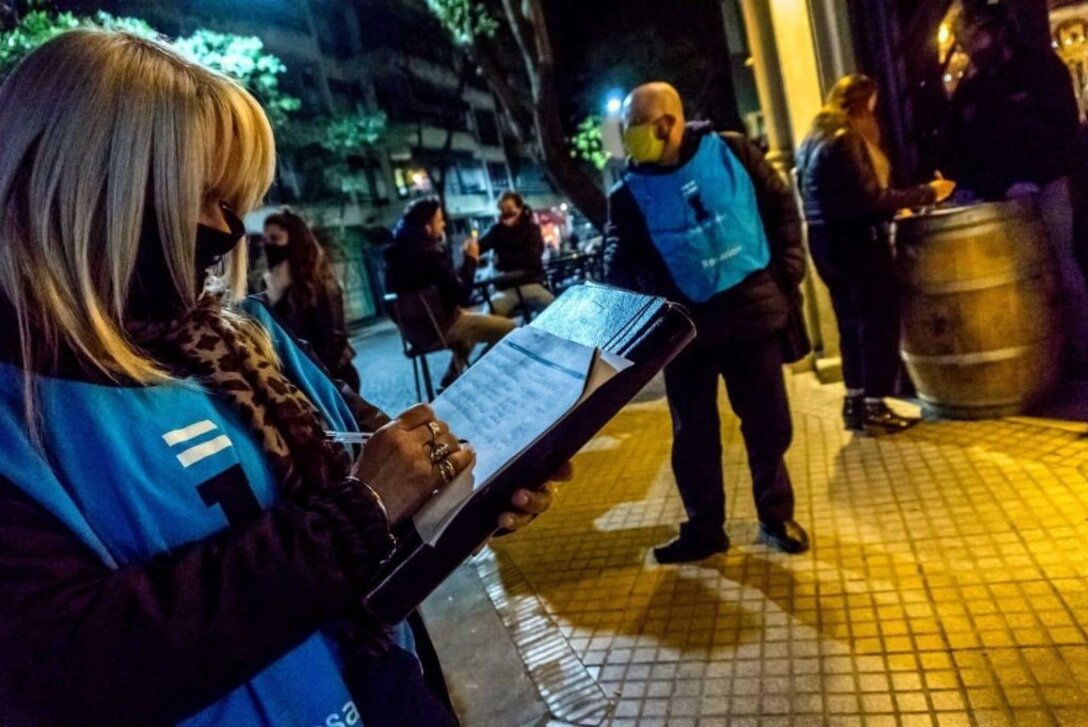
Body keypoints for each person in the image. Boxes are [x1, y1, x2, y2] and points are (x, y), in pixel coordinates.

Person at [0, 30, 557, 725]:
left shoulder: (246, 337)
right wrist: (357, 514)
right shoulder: (20, 410)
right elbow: (64, 670)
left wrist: (467, 495)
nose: (227, 230)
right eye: (202, 196)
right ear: (86, 187)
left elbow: (381, 503)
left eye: (235, 201)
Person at [605, 82, 810, 563]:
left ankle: (776, 514)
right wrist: (638, 292)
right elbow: (617, 259)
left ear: (666, 124)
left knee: (767, 424)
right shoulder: (627, 192)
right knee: (692, 435)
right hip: (685, 333)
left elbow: (781, 206)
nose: (629, 140)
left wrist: (787, 271)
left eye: (635, 128)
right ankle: (705, 528)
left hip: (749, 315)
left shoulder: (732, 150)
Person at [797, 74, 956, 434]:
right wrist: (928, 193)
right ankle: (876, 406)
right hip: (857, 243)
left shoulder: (813, 137)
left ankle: (854, 402)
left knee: (850, 324)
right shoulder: (846, 137)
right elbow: (870, 201)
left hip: (825, 243)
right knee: (878, 322)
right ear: (863, 105)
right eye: (874, 108)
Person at [943, 3, 1088, 370]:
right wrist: (980, 185)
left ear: (996, 30)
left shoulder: (1039, 70)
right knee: (1016, 282)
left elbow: (1062, 132)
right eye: (963, 41)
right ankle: (1038, 357)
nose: (969, 47)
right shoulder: (972, 88)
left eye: (974, 37)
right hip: (998, 201)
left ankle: (1081, 354)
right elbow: (959, 147)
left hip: (1046, 188)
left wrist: (1035, 177)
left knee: (1063, 269)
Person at [384, 197, 516, 387]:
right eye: (439, 220)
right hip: (440, 328)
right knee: (510, 328)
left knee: (470, 325)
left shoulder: (394, 259)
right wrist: (471, 259)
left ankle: (451, 379)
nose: (443, 224)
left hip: (413, 335)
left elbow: (451, 289)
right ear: (427, 228)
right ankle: (481, 372)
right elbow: (461, 296)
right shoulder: (429, 255)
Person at [261, 208, 360, 391]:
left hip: (334, 380)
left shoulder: (322, 284)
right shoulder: (271, 285)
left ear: (295, 241)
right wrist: (275, 298)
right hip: (302, 382)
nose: (270, 246)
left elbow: (332, 339)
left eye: (276, 239)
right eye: (266, 241)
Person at [478, 191, 555, 318]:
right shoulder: (496, 230)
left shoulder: (532, 229)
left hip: (530, 283)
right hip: (505, 288)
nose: (505, 212)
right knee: (489, 315)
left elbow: (533, 259)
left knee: (555, 309)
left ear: (519, 209)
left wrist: (502, 260)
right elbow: (480, 246)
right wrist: (471, 248)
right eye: (502, 209)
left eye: (509, 208)